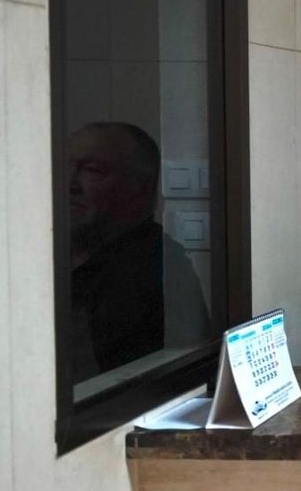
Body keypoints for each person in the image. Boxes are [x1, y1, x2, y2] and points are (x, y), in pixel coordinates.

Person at [67, 122, 209, 383]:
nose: (69, 184)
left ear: (140, 189)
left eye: (92, 170)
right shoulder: (50, 257)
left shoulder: (153, 269)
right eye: (63, 168)